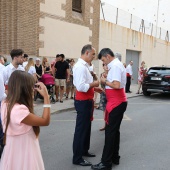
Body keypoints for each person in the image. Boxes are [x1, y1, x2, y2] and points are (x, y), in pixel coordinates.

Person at [0, 70, 51, 169]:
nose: (33, 89)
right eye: (31, 87)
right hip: (25, 154)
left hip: (13, 151)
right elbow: (45, 121)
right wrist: (46, 97)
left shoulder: (5, 103)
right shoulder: (19, 110)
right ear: (24, 89)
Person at [91, 48, 127, 170]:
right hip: (116, 102)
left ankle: (106, 163)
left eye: (103, 60)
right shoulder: (115, 65)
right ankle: (115, 157)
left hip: (116, 102)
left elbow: (116, 85)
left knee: (110, 133)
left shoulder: (115, 66)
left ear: (107, 56)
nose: (104, 63)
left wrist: (104, 81)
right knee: (114, 132)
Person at [72, 44, 100, 167]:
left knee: (87, 128)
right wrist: (94, 84)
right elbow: (81, 87)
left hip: (87, 100)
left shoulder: (86, 66)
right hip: (82, 101)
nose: (94, 56)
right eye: (93, 54)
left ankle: (84, 150)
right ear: (87, 53)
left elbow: (87, 84)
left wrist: (95, 87)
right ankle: (77, 157)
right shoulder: (80, 67)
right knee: (81, 129)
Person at [97, 64, 109, 131]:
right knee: (104, 110)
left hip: (110, 95)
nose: (106, 67)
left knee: (110, 110)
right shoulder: (102, 74)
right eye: (105, 65)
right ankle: (105, 125)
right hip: (103, 94)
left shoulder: (111, 74)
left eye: (107, 65)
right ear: (103, 67)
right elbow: (101, 83)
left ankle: (109, 125)